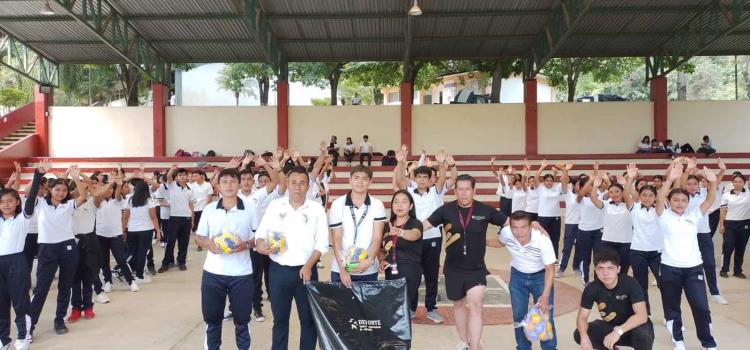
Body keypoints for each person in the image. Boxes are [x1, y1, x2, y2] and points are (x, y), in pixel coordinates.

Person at [423, 174, 509, 350]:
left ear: (474, 190)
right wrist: (402, 230)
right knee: (459, 305)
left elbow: (510, 222)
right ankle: (464, 340)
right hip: (453, 268)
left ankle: (475, 346)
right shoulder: (445, 210)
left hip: (476, 268)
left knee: (476, 305)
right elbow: (423, 225)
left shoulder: (485, 210)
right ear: (455, 190)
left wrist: (532, 225)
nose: (463, 193)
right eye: (460, 189)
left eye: (467, 189)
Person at [255, 166, 329, 350]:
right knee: (280, 321)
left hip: (306, 272)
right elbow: (260, 234)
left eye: (302, 183)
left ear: (308, 185)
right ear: (287, 183)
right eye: (293, 182)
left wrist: (308, 266)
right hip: (279, 271)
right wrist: (261, 245)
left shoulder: (316, 209)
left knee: (308, 322)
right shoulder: (275, 206)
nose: (298, 186)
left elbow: (322, 243)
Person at [656, 159, 718, 350]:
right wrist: (671, 179)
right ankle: (678, 340)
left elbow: (709, 200)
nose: (680, 203)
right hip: (669, 268)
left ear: (688, 202)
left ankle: (708, 342)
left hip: (693, 269)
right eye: (675, 199)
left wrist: (713, 182)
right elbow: (658, 199)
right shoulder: (664, 216)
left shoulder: (693, 216)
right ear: (669, 202)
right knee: (673, 308)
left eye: (683, 200)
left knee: (701, 307)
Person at [195, 168, 258, 350]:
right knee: (213, 320)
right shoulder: (209, 210)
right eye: (224, 182)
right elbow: (199, 237)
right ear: (218, 186)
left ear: (239, 184)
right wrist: (209, 245)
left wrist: (245, 245)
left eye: (232, 181)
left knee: (242, 320)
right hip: (213, 273)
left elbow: (259, 238)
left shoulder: (250, 208)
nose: (229, 185)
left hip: (242, 274)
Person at [26, 161, 89, 336]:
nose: (61, 193)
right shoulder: (40, 203)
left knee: (65, 286)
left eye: (64, 190)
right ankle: (30, 326)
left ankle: (59, 320)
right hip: (47, 249)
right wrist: (38, 174)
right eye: (57, 190)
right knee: (41, 289)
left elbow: (83, 197)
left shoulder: (68, 204)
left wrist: (76, 179)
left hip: (68, 247)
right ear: (49, 190)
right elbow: (28, 194)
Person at [394, 146, 451, 324]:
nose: (422, 180)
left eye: (425, 177)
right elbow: (400, 181)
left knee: (432, 274)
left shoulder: (436, 191)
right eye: (419, 177)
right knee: (412, 275)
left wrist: (442, 164)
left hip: (433, 237)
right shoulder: (410, 192)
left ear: (429, 179)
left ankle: (431, 308)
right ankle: (410, 308)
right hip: (413, 238)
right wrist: (401, 161)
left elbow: (442, 179)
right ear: (415, 178)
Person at [487, 211, 557, 350]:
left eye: (523, 227)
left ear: (531, 226)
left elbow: (550, 269)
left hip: (540, 277)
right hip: (518, 277)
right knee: (518, 315)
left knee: (545, 316)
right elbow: (501, 242)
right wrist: (481, 241)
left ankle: (549, 348)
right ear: (510, 227)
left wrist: (545, 295)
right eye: (515, 228)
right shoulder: (506, 232)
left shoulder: (542, 239)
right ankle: (523, 347)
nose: (519, 232)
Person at [574, 249, 654, 350]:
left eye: (610, 268)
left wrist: (618, 332)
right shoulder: (592, 288)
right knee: (579, 334)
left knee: (643, 335)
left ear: (618, 269)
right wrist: (584, 338)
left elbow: (642, 316)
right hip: (611, 327)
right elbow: (582, 317)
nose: (605, 273)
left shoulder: (630, 284)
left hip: (634, 327)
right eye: (600, 268)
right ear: (595, 270)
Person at [679, 158, 728, 304]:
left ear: (699, 184)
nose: (692, 186)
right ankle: (683, 289)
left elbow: (715, 182)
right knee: (685, 263)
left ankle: (714, 292)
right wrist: (688, 170)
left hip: (704, 234)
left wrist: (722, 170)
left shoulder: (704, 194)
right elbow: (681, 182)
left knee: (709, 262)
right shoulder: (682, 195)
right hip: (687, 235)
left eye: (695, 183)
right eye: (689, 183)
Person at [329, 165, 386, 286]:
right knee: (341, 305)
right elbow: (336, 239)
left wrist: (370, 260)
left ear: (370, 182)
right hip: (341, 268)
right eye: (356, 178)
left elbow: (377, 238)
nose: (360, 182)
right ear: (350, 180)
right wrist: (342, 269)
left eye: (365, 179)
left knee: (366, 305)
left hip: (368, 269)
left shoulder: (377, 205)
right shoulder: (337, 204)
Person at [379, 190, 423, 318]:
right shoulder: (387, 225)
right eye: (396, 202)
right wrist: (382, 259)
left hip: (410, 270)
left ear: (410, 206)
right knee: (392, 307)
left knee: (403, 309)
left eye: (404, 202)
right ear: (392, 205)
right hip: (391, 270)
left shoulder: (415, 223)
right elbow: (381, 248)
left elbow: (415, 235)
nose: (399, 205)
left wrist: (401, 232)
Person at [0, 187, 34, 350]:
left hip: (16, 262)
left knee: (20, 302)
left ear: (17, 202)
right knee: (1, 303)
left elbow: (32, 197)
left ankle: (23, 336)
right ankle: (3, 338)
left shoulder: (23, 219)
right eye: (2, 201)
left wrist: (38, 175)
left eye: (10, 201)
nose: (6, 204)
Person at [589, 173, 634, 275]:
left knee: (622, 271)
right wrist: (595, 185)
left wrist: (626, 183)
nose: (614, 194)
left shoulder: (630, 205)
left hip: (625, 243)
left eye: (617, 191)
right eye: (611, 192)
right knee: (606, 270)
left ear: (623, 193)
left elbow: (634, 196)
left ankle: (620, 290)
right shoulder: (606, 205)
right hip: (607, 243)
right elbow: (593, 198)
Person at [124, 181, 161, 283]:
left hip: (132, 229)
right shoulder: (149, 200)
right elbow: (153, 217)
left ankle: (127, 271)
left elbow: (125, 217)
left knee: (132, 252)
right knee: (142, 253)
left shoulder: (129, 199)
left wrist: (123, 230)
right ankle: (140, 276)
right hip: (146, 230)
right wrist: (158, 231)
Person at [159, 166, 194, 273]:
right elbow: (169, 176)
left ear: (187, 177)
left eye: (184, 175)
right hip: (174, 217)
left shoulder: (190, 190)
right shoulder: (172, 185)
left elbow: (191, 205)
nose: (182, 177)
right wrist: (172, 169)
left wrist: (192, 220)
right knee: (170, 241)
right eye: (180, 175)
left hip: (186, 218)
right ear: (177, 177)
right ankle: (166, 263)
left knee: (184, 242)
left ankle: (181, 262)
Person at [535, 160, 571, 261]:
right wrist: (542, 167)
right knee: (542, 239)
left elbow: (565, 181)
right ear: (544, 181)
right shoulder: (540, 189)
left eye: (551, 180)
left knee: (555, 239)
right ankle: (541, 257)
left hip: (555, 217)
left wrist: (565, 170)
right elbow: (536, 178)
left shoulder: (557, 188)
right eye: (547, 180)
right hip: (543, 217)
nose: (549, 182)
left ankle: (554, 258)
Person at [576, 164, 606, 284]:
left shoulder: (601, 196)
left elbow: (608, 188)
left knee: (598, 258)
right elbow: (582, 192)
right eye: (588, 186)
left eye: (592, 186)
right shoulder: (580, 198)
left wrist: (597, 176)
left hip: (598, 231)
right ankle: (585, 280)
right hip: (584, 232)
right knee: (585, 257)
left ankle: (597, 280)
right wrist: (592, 178)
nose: (591, 188)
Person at [718, 172, 750, 279]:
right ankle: (724, 269)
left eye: (740, 182)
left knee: (740, 249)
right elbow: (722, 211)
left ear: (744, 183)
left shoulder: (748, 193)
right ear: (732, 183)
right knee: (728, 246)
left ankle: (737, 271)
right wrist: (722, 225)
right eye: (735, 181)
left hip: (745, 224)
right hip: (730, 224)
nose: (738, 184)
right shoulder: (726, 195)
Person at [557, 174, 582, 277]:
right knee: (567, 247)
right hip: (570, 224)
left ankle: (576, 267)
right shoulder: (568, 194)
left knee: (580, 247)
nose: (580, 187)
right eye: (578, 184)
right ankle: (561, 268)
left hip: (582, 225)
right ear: (573, 186)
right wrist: (565, 170)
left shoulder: (585, 196)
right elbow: (563, 182)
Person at [191, 169, 213, 251]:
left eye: (196, 176)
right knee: (197, 227)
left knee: (207, 227)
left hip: (204, 209)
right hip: (195, 209)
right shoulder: (192, 186)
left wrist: (206, 209)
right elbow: (190, 198)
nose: (194, 177)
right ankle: (199, 245)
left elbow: (209, 197)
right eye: (193, 176)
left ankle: (209, 242)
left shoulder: (208, 185)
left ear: (201, 176)